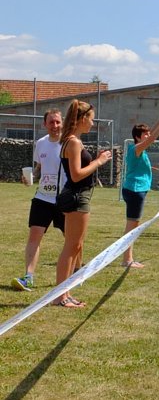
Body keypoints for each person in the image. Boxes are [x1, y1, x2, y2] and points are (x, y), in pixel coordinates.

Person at [53, 100, 112, 308]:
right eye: (91, 119)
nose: (93, 123)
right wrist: (99, 161)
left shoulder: (70, 140)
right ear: (82, 118)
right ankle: (61, 295)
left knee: (75, 247)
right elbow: (77, 175)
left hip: (76, 196)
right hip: (78, 196)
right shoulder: (74, 142)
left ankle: (64, 293)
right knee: (72, 247)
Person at [12, 109, 66, 291]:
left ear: (62, 123)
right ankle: (28, 277)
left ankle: (76, 273)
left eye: (57, 122)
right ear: (45, 124)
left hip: (64, 199)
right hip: (42, 197)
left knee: (73, 240)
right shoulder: (41, 143)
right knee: (34, 235)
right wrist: (31, 176)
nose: (55, 126)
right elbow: (39, 166)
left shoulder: (69, 142)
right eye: (51, 122)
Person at [120, 104, 159, 268]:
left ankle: (128, 258)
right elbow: (151, 139)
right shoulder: (136, 147)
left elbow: (149, 138)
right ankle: (127, 260)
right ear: (138, 137)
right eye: (145, 134)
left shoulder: (138, 149)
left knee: (133, 225)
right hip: (135, 190)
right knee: (131, 226)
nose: (148, 135)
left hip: (136, 189)